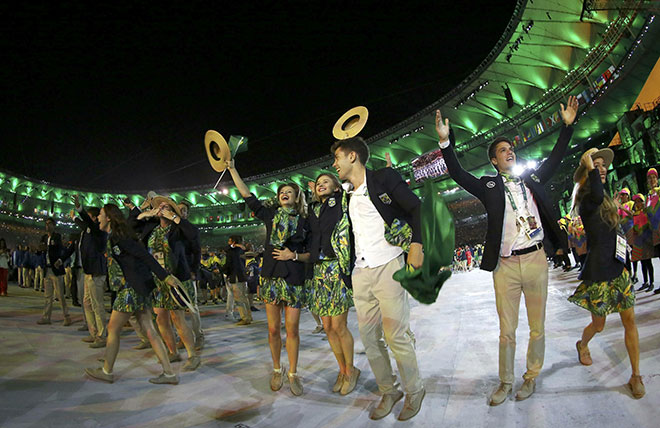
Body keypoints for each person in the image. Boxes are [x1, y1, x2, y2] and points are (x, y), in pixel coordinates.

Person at [434, 95, 578, 405]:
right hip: (506, 266)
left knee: (537, 327)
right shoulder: (488, 186)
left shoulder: (533, 179)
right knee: (507, 331)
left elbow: (556, 156)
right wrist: (446, 145)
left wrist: (567, 126)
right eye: (502, 151)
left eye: (510, 148)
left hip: (537, 258)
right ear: (495, 162)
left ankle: (530, 376)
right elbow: (459, 175)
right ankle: (505, 381)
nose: (509, 151)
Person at [331, 137, 424, 421]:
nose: (334, 164)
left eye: (337, 157)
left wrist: (417, 245)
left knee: (395, 335)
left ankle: (414, 390)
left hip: (389, 266)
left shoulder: (383, 178)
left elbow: (417, 208)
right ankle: (389, 390)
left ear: (352, 156)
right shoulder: (343, 195)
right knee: (370, 340)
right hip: (360, 273)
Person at [228, 159, 310, 396]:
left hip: (294, 277)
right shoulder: (270, 215)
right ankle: (277, 369)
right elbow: (247, 195)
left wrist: (292, 254)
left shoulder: (305, 221)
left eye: (289, 192)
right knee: (274, 329)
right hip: (271, 277)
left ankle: (293, 373)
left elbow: (310, 254)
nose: (285, 194)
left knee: (292, 329)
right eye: (282, 192)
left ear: (297, 197)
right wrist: (233, 168)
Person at [568, 148, 644, 398]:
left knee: (629, 321)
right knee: (599, 325)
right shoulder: (586, 198)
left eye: (602, 165)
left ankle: (635, 376)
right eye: (595, 164)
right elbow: (598, 196)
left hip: (618, 267)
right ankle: (583, 344)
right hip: (598, 270)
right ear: (586, 169)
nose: (601, 168)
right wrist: (588, 169)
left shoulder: (606, 196)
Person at [84, 204, 180, 384]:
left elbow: (145, 256)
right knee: (150, 330)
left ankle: (107, 371)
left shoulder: (120, 237)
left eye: (101, 215)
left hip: (131, 289)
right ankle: (169, 374)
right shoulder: (117, 236)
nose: (98, 218)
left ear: (109, 218)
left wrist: (165, 277)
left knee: (113, 328)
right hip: (140, 287)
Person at [306, 172, 359, 395]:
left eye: (325, 181)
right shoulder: (313, 210)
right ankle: (343, 369)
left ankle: (351, 371)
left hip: (337, 267)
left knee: (339, 326)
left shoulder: (343, 201)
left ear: (337, 187)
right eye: (318, 183)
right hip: (318, 271)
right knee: (327, 327)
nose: (320, 185)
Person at [138, 196, 201, 371]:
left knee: (178, 318)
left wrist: (174, 217)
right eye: (160, 207)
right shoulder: (152, 229)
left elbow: (194, 234)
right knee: (161, 318)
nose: (162, 209)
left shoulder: (178, 229)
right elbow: (132, 229)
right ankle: (173, 352)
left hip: (176, 279)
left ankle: (192, 355)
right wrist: (146, 214)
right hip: (158, 280)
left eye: (166, 207)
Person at [73, 195, 109, 349]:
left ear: (94, 219)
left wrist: (79, 209)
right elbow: (83, 224)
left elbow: (87, 223)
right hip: (88, 272)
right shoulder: (88, 230)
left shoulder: (99, 231)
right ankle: (93, 332)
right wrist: (75, 218)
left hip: (96, 272)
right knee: (87, 303)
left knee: (97, 305)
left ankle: (102, 336)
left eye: (90, 217)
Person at [37, 218, 74, 326]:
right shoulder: (44, 237)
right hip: (47, 269)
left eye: (49, 224)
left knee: (59, 295)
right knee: (48, 295)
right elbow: (40, 252)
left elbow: (59, 249)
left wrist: (48, 248)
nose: (47, 226)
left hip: (56, 269)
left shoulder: (57, 237)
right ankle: (46, 317)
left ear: (54, 225)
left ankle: (66, 317)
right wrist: (40, 250)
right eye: (46, 224)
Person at [225, 235, 252, 325]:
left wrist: (225, 272)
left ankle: (245, 318)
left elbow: (229, 263)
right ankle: (248, 316)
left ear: (233, 242)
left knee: (239, 299)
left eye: (230, 241)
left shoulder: (232, 251)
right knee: (244, 297)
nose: (228, 243)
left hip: (235, 276)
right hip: (242, 276)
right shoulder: (241, 250)